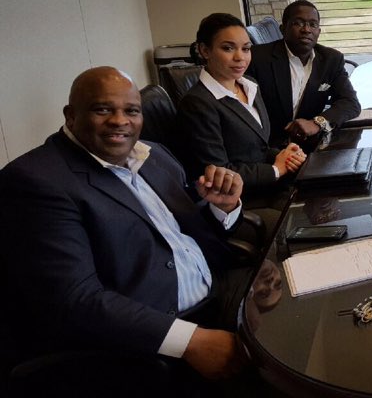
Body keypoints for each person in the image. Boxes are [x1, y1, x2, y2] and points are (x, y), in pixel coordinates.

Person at [0, 67, 250, 393]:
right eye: (103, 109)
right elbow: (74, 300)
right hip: (156, 339)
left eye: (131, 111)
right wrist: (190, 340)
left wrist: (223, 206)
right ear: (71, 115)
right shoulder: (36, 181)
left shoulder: (153, 154)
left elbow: (188, 226)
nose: (120, 121)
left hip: (218, 289)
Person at [178, 13, 305, 197]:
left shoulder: (250, 85)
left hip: (271, 186)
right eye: (228, 48)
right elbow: (219, 173)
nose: (240, 57)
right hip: (241, 199)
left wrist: (286, 156)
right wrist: (276, 170)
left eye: (246, 49)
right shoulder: (197, 104)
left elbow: (257, 149)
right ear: (205, 50)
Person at [247, 0, 361, 147]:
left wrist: (317, 123)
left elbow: (350, 103)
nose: (306, 29)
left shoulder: (330, 59)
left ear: (318, 32)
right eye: (298, 23)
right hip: (265, 146)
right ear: (283, 29)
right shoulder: (257, 58)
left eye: (313, 24)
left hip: (309, 144)